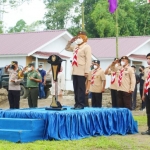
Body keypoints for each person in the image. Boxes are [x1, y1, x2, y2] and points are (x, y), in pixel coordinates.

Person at [65, 31, 91, 109]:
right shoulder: (76, 46)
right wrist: (70, 42)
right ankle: (76, 103)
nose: (78, 39)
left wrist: (86, 71)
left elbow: (88, 60)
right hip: (74, 70)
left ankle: (81, 104)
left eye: (80, 37)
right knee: (75, 88)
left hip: (81, 70)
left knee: (81, 88)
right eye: (77, 37)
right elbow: (66, 48)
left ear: (84, 38)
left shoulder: (86, 47)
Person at [141, 53, 150, 135]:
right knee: (148, 111)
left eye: (149, 58)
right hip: (148, 91)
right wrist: (143, 94)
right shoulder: (147, 69)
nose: (148, 60)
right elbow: (145, 82)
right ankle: (149, 129)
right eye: (147, 58)